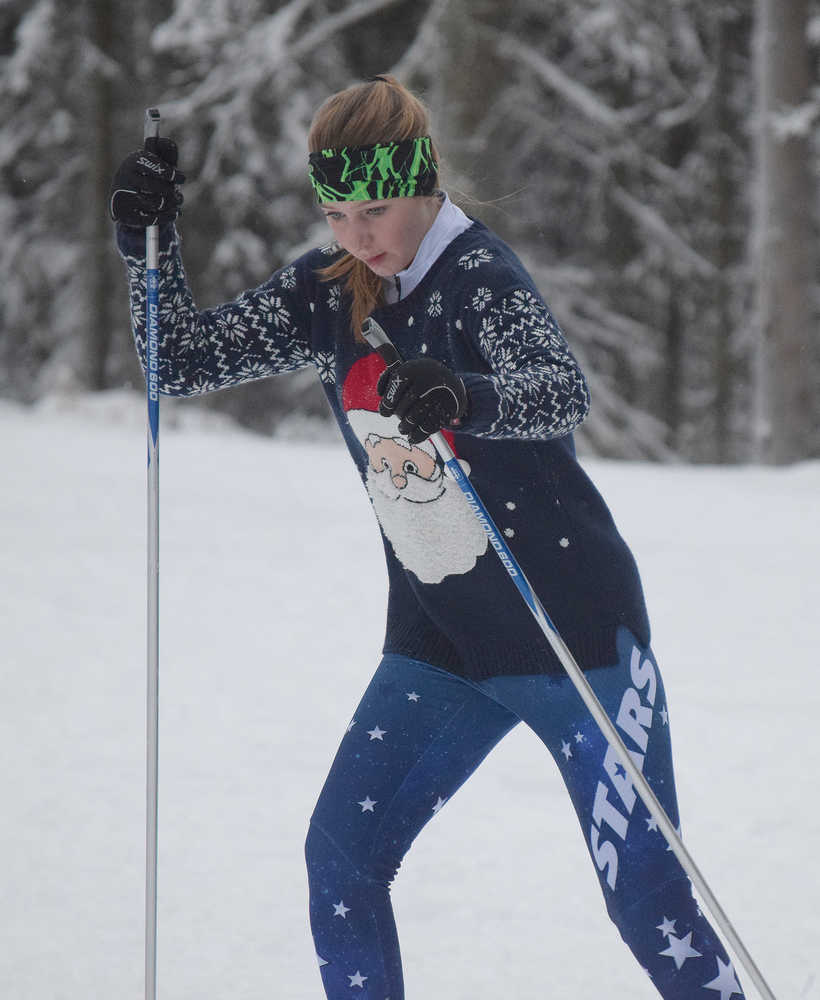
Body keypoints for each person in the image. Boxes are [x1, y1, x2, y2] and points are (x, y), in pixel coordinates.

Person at [111, 75, 745, 1000]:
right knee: (341, 860)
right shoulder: (328, 291)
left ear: (423, 183)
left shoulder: (478, 276)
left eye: (375, 210)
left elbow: (561, 391)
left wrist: (463, 394)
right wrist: (149, 249)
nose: (357, 235)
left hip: (573, 633)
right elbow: (177, 362)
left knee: (648, 901)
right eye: (337, 213)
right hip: (442, 638)